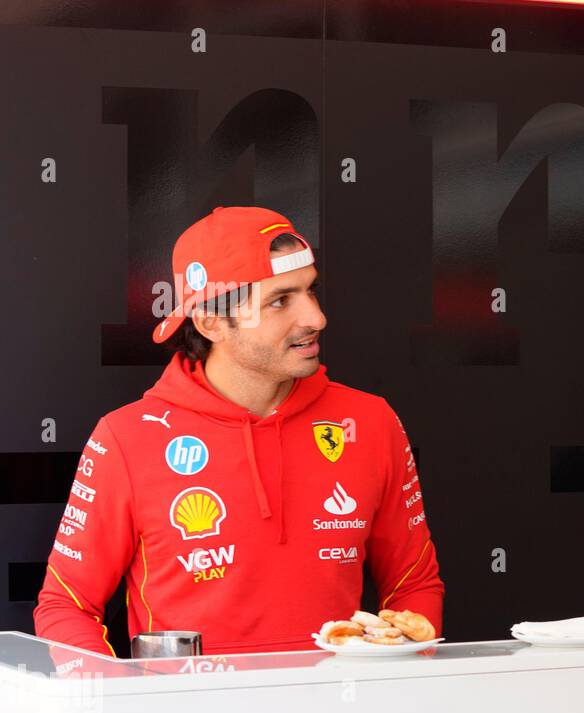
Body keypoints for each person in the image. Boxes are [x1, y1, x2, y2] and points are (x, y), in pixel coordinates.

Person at [35, 206, 444, 656]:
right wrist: (121, 704)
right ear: (211, 322)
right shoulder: (126, 438)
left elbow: (414, 584)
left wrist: (404, 675)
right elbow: (66, 606)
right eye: (280, 301)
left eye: (311, 291)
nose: (315, 318)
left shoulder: (371, 421)